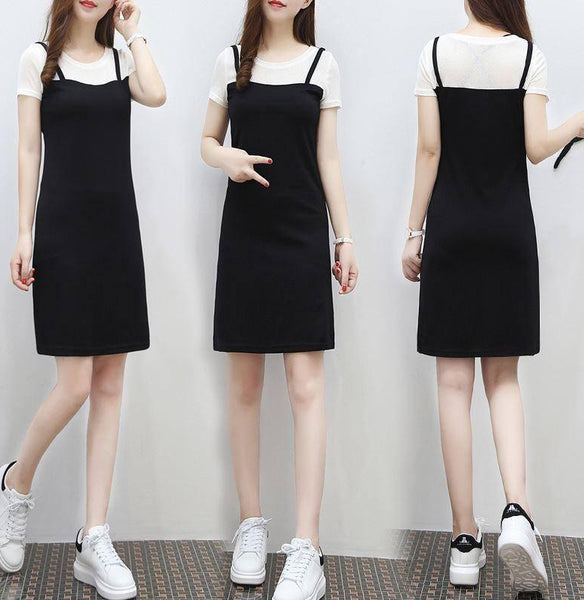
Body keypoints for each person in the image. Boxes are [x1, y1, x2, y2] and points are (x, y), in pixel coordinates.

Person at [402, 0, 584, 592]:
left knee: (453, 386)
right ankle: (518, 513)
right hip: (509, 233)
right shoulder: (529, 57)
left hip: (452, 233)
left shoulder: (435, 54)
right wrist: (577, 124)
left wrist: (413, 232)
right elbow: (536, 147)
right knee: (503, 381)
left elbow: (429, 151)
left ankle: (463, 540)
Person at [0, 1, 166, 598]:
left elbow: (157, 94)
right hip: (63, 233)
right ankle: (16, 483)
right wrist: (24, 233)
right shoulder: (38, 61)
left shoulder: (121, 61)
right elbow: (28, 150)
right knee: (74, 385)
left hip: (117, 234)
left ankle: (94, 536)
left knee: (110, 384)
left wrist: (133, 33)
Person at [201, 1, 357, 598]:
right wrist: (228, 159)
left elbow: (328, 157)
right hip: (245, 235)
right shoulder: (231, 61)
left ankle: (307, 546)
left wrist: (344, 238)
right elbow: (207, 141)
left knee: (306, 388)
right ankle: (250, 524)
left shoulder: (322, 65)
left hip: (300, 234)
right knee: (244, 388)